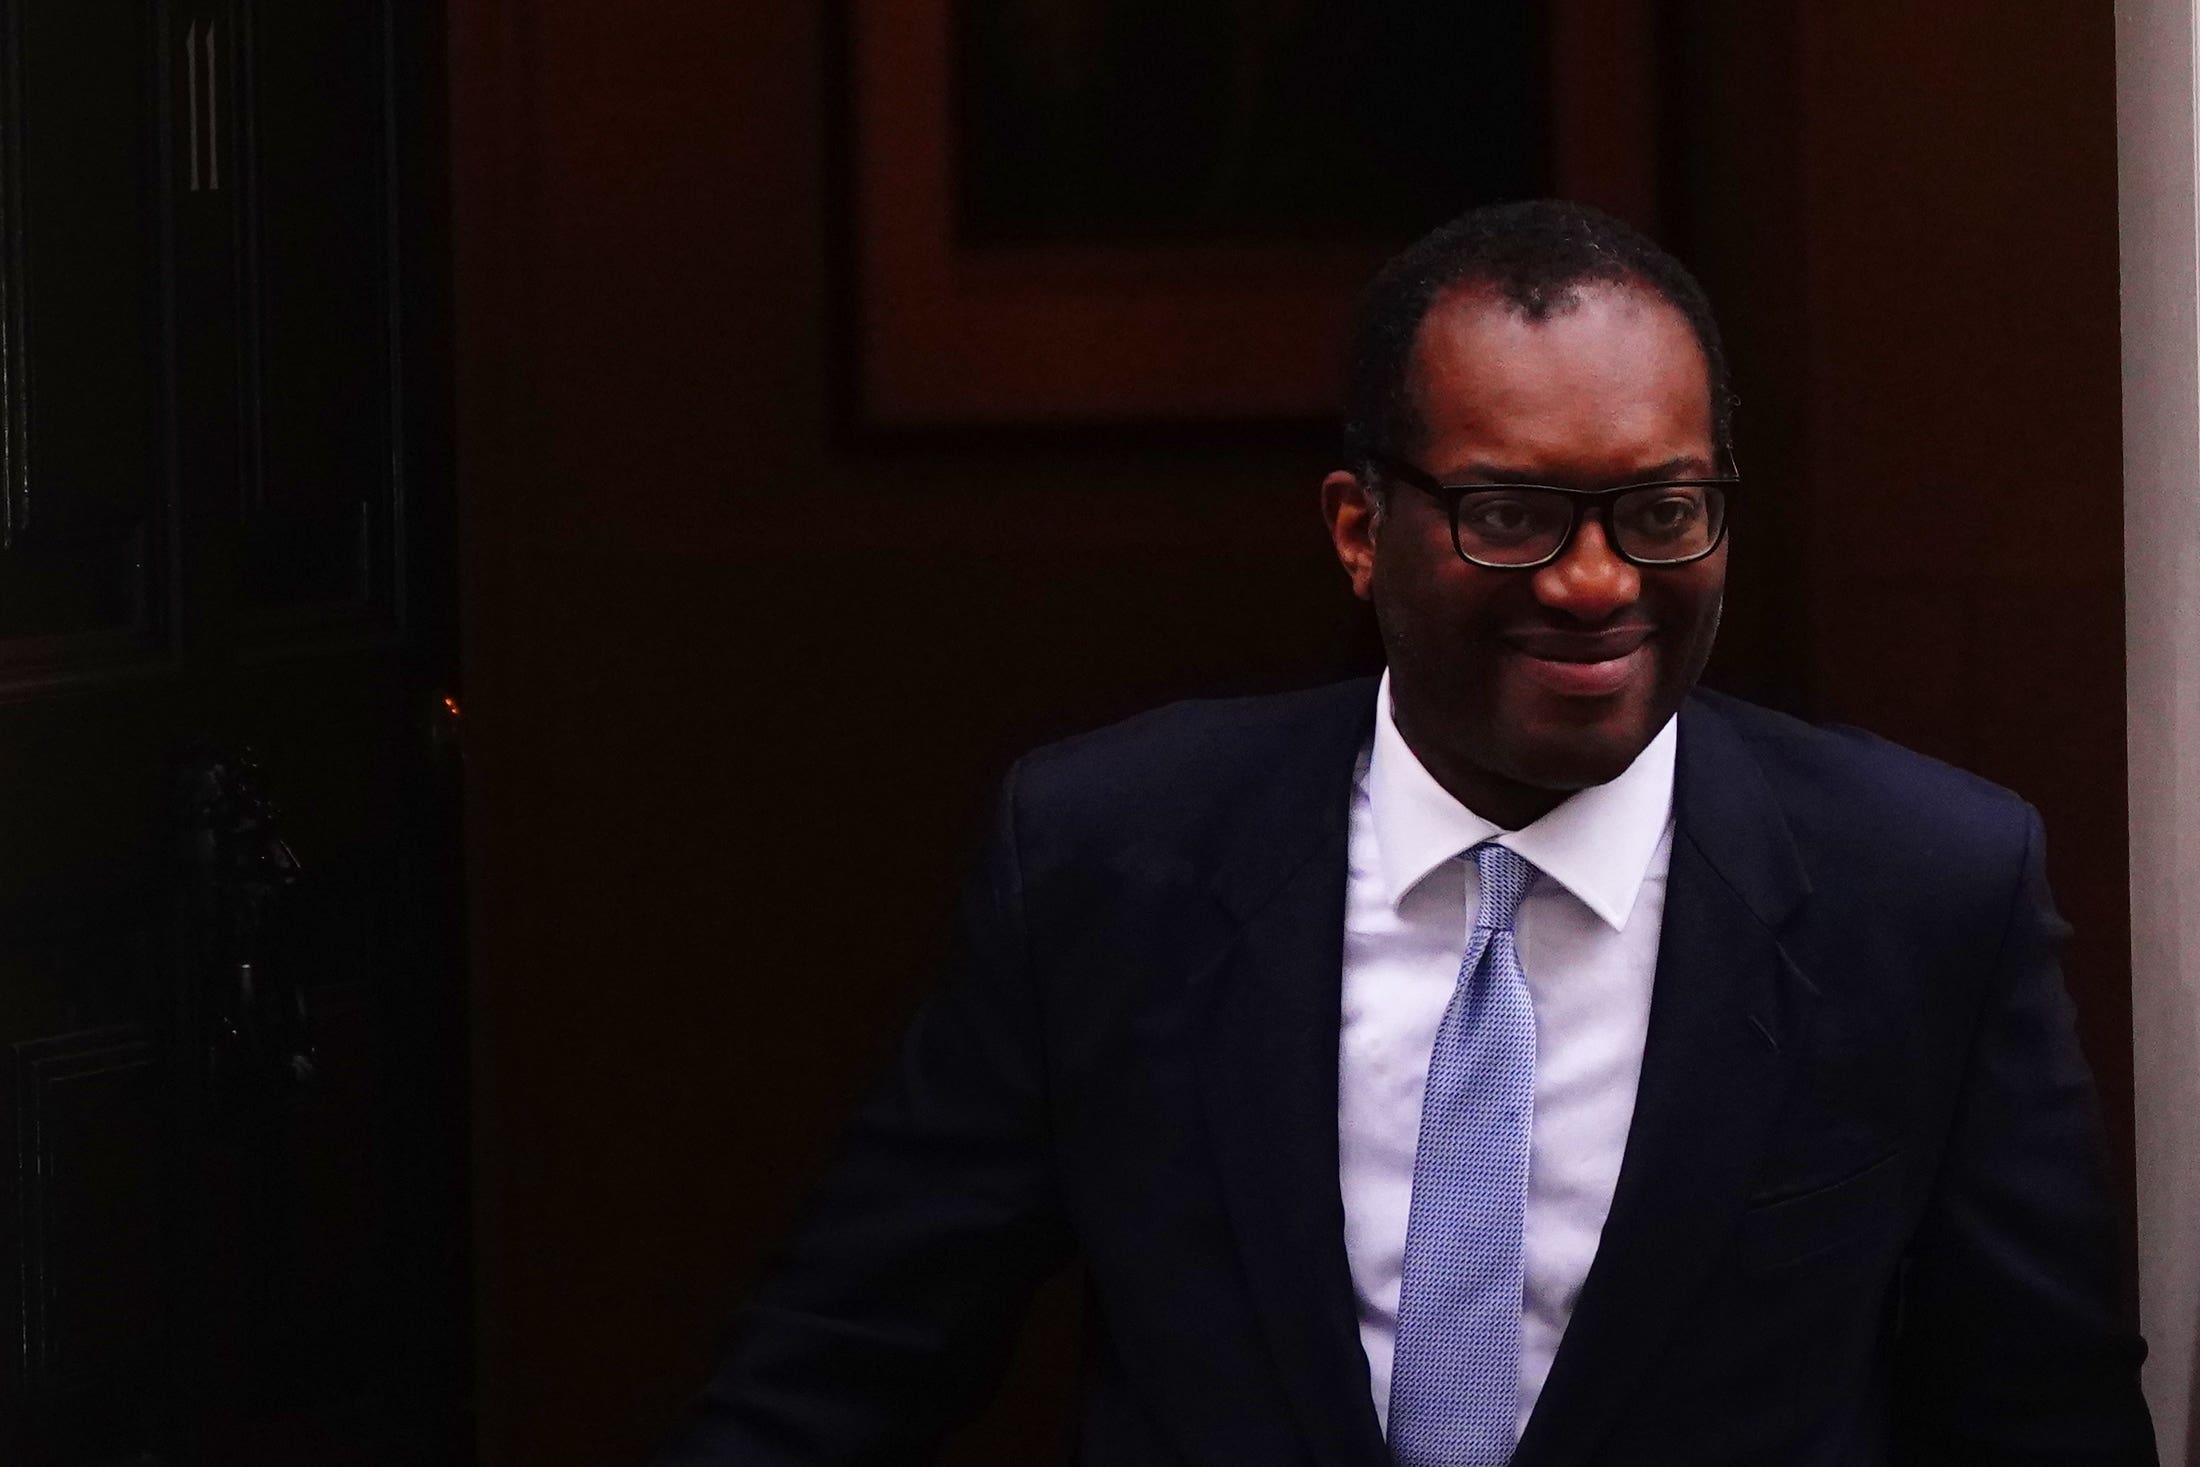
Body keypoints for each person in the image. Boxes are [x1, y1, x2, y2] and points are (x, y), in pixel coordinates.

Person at [652, 201, 2157, 1465]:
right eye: (1511, 513)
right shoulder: (1114, 857)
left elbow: (2042, 1415)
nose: (1592, 580)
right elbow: (845, 1367)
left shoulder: (1923, 889)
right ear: (1359, 530)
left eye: (1660, 510)